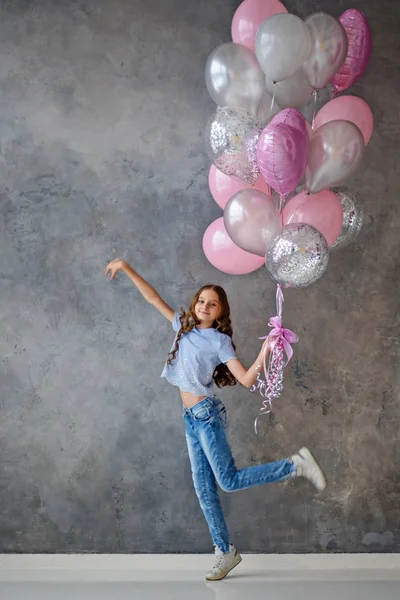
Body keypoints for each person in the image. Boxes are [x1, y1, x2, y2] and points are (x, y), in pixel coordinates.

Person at [105, 258, 327, 580]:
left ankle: (295, 465)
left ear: (221, 312)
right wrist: (126, 267)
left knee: (228, 480)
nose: (205, 306)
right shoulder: (182, 326)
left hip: (206, 417)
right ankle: (225, 552)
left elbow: (247, 380)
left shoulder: (219, 342)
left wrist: (265, 349)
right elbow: (153, 298)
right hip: (189, 418)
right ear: (195, 304)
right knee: (203, 488)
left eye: (213, 304)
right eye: (201, 301)